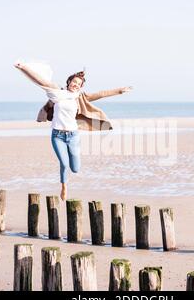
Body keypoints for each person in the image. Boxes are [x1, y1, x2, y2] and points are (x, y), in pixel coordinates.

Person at [15, 61, 132, 200]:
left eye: (78, 83)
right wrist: (23, 68)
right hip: (57, 135)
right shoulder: (57, 92)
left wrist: (119, 91)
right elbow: (40, 80)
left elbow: (101, 94)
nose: (75, 84)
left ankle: (72, 163)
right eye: (73, 81)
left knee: (75, 169)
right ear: (69, 82)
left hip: (73, 136)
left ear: (80, 87)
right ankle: (64, 187)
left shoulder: (80, 97)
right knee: (64, 163)